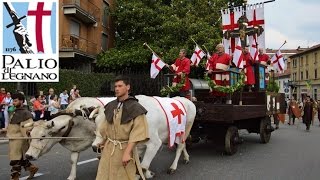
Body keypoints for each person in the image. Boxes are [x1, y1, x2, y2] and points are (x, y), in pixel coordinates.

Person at [96, 75, 149, 180]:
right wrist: (103, 141)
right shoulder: (111, 106)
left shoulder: (136, 108)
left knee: (122, 176)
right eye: (115, 86)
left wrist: (127, 153)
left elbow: (137, 133)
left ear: (128, 87)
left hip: (124, 149)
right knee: (103, 175)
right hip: (108, 148)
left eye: (120, 86)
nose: (116, 89)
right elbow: (106, 126)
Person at [7, 93, 38, 180]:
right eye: (13, 100)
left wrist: (28, 140)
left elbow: (27, 128)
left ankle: (14, 177)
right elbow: (13, 126)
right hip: (13, 138)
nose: (13, 102)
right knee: (21, 160)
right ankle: (32, 169)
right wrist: (5, 130)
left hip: (19, 140)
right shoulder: (15, 111)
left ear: (21, 101)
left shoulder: (25, 113)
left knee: (15, 160)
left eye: (15, 101)